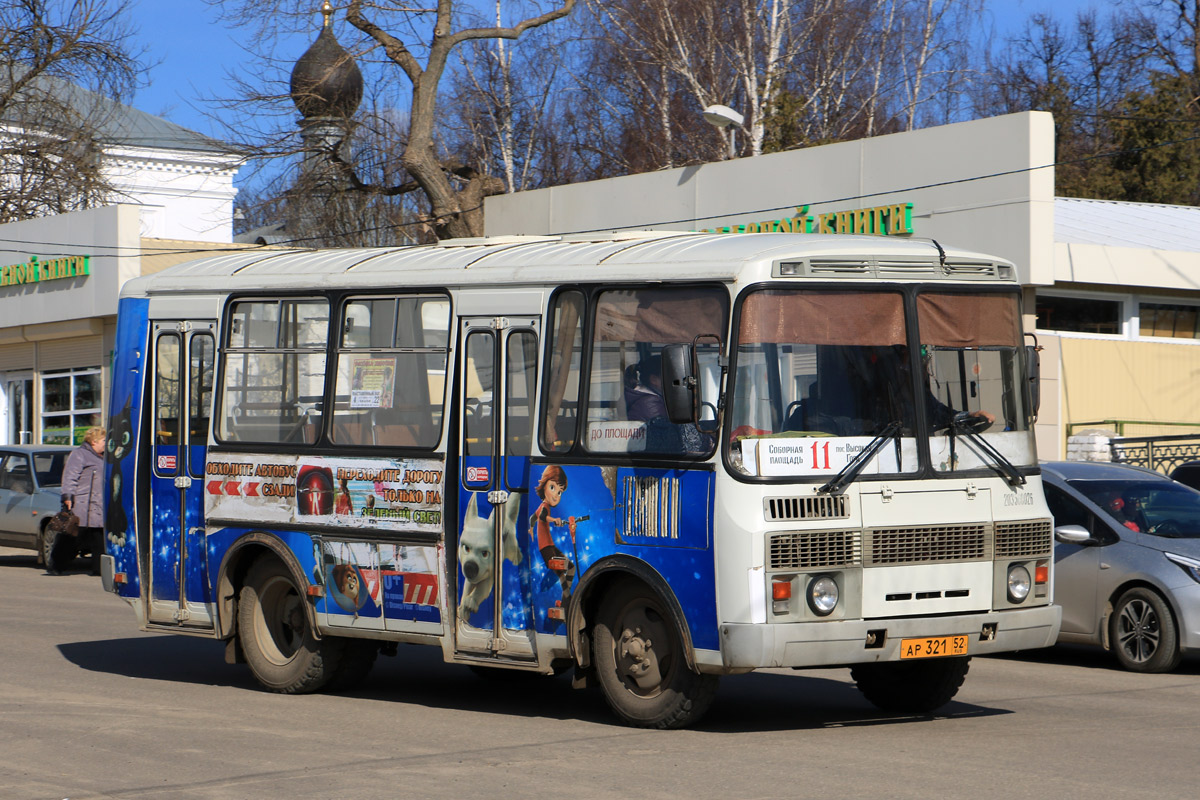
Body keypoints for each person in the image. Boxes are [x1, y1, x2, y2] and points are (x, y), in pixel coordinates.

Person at [59, 426, 106, 575]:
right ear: (94, 441)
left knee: (99, 538)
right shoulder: (79, 454)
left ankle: (99, 569)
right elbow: (70, 477)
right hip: (82, 504)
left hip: (99, 505)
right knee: (73, 536)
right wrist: (68, 496)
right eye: (104, 440)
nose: (107, 443)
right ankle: (57, 564)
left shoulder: (106, 457)